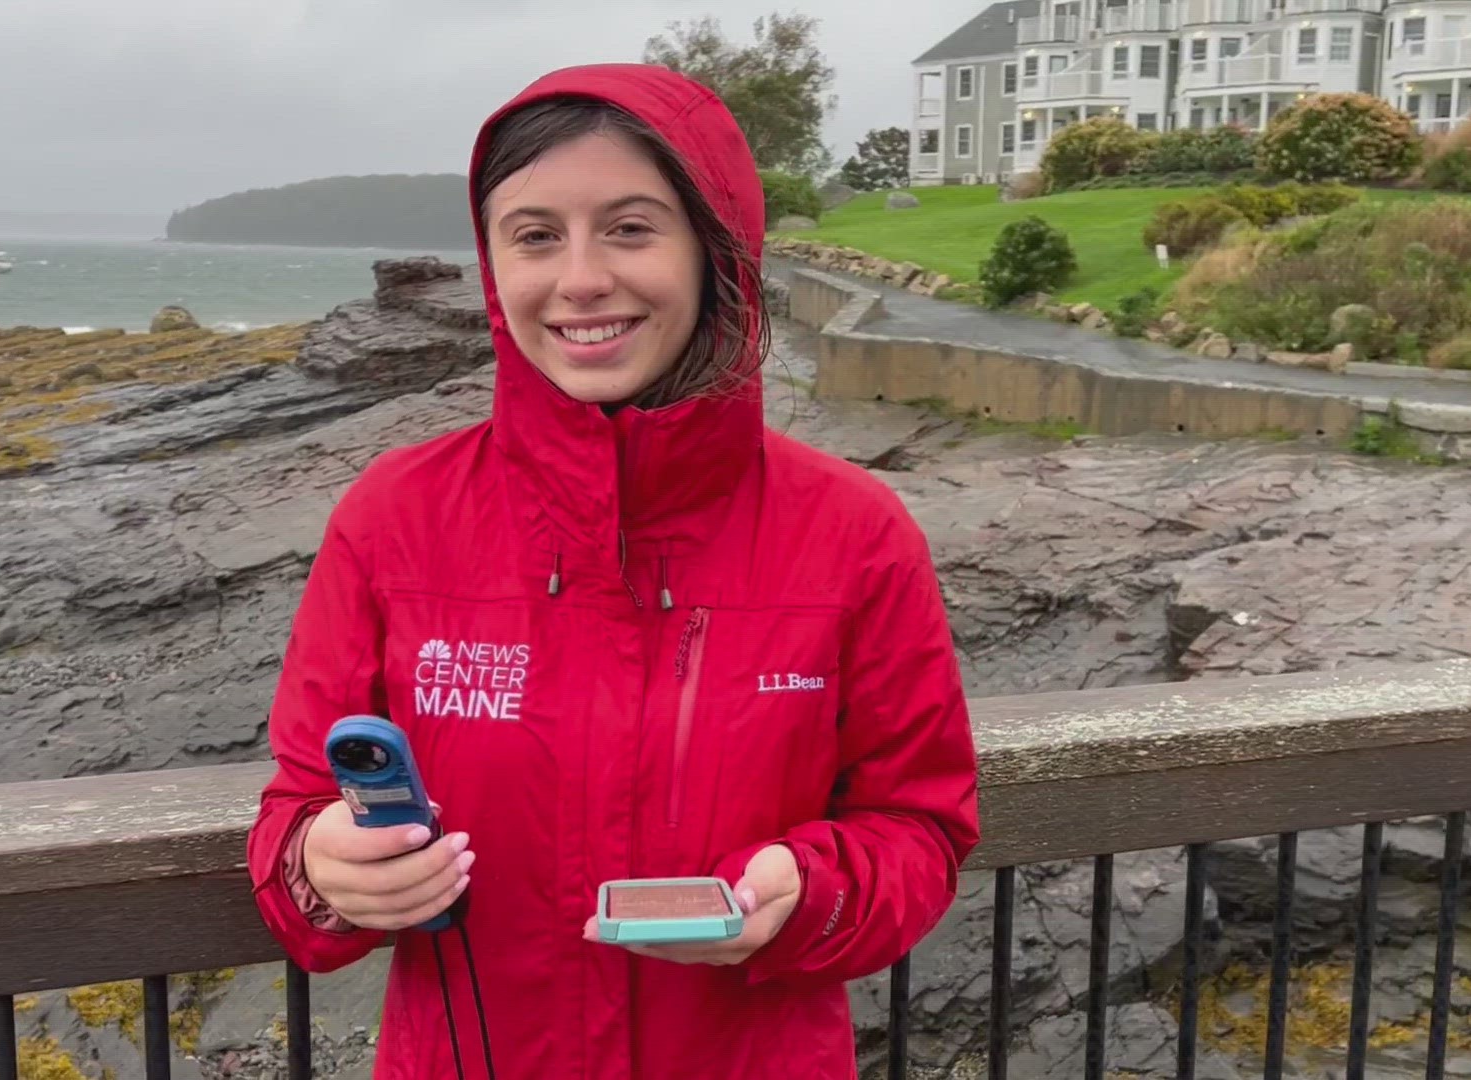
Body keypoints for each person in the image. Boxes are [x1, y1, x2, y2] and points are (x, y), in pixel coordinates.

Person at [245, 63, 981, 1079]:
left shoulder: (855, 533)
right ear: (494, 261)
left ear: (714, 249)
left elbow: (921, 829)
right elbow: (293, 824)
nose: (581, 278)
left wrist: (805, 893)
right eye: (536, 234)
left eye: (630, 228)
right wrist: (323, 870)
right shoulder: (394, 518)